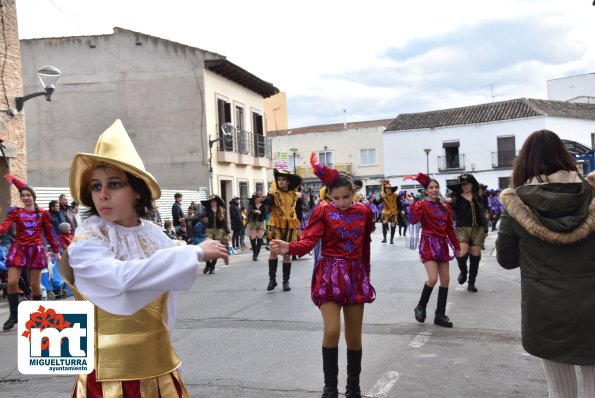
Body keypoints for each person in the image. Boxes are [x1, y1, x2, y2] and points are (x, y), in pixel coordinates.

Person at [60, 119, 228, 396]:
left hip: (159, 365)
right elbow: (120, 281)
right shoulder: (87, 240)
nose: (102, 195)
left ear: (137, 190)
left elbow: (168, 296)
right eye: (96, 187)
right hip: (110, 376)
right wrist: (194, 251)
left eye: (114, 184)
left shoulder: (152, 234)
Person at [496, 129, 595, 398]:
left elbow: (506, 260)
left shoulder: (518, 205)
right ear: (565, 158)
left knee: (560, 388)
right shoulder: (592, 196)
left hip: (545, 311)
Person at [271, 153, 375, 398]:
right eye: (336, 197)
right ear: (328, 195)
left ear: (355, 193)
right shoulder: (323, 211)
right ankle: (330, 388)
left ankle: (353, 387)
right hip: (329, 275)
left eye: (346, 197)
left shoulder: (364, 212)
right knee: (331, 331)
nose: (341, 202)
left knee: (354, 336)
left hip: (355, 275)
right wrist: (289, 247)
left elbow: (365, 246)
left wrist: (366, 275)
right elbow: (308, 242)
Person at [0, 174, 61, 331]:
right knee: (12, 282)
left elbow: (49, 233)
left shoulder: (42, 213)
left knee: (35, 285)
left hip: (36, 249)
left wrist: (56, 251)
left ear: (33, 196)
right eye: (23, 196)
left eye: (28, 195)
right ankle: (14, 315)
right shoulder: (16, 212)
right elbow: (5, 226)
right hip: (19, 248)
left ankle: (37, 316)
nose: (25, 198)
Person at [407, 173, 460, 328]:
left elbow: (450, 228)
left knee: (446, 280)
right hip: (429, 242)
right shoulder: (422, 205)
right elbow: (413, 220)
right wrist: (411, 204)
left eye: (436, 187)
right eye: (431, 187)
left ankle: (440, 315)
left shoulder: (445, 207)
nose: (435, 190)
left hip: (442, 244)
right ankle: (420, 306)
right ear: (426, 191)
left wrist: (456, 246)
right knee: (432, 278)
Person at [261, 169, 303, 291]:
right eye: (279, 179)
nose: (281, 181)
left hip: (291, 226)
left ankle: (286, 282)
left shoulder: (296, 196)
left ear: (288, 182)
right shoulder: (273, 194)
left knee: (287, 253)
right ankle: (272, 280)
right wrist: (264, 200)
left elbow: (299, 211)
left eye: (283, 179)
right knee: (273, 251)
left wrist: (299, 226)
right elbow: (268, 202)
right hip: (276, 225)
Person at [447, 173, 486, 293]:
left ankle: (471, 283)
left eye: (467, 183)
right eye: (463, 184)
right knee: (461, 253)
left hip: (478, 229)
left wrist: (485, 227)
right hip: (462, 229)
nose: (465, 186)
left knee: (475, 257)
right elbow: (445, 206)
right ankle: (463, 272)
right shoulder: (455, 198)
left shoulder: (478, 197)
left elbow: (483, 212)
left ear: (472, 184)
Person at [200, 194, 230, 274]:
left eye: (213, 201)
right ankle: (207, 265)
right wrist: (186, 218)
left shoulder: (221, 211)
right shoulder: (207, 210)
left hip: (218, 232)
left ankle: (212, 266)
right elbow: (199, 216)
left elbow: (224, 223)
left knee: (216, 249)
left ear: (217, 202)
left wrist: (228, 232)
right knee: (207, 248)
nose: (212, 203)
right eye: (211, 202)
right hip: (209, 230)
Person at [247, 193, 267, 261]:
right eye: (256, 198)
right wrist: (255, 211)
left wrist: (261, 212)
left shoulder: (264, 205)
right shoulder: (251, 205)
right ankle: (254, 253)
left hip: (261, 222)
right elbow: (249, 211)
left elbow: (266, 212)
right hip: (253, 222)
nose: (257, 199)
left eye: (258, 198)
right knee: (253, 237)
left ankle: (256, 254)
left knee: (260, 237)